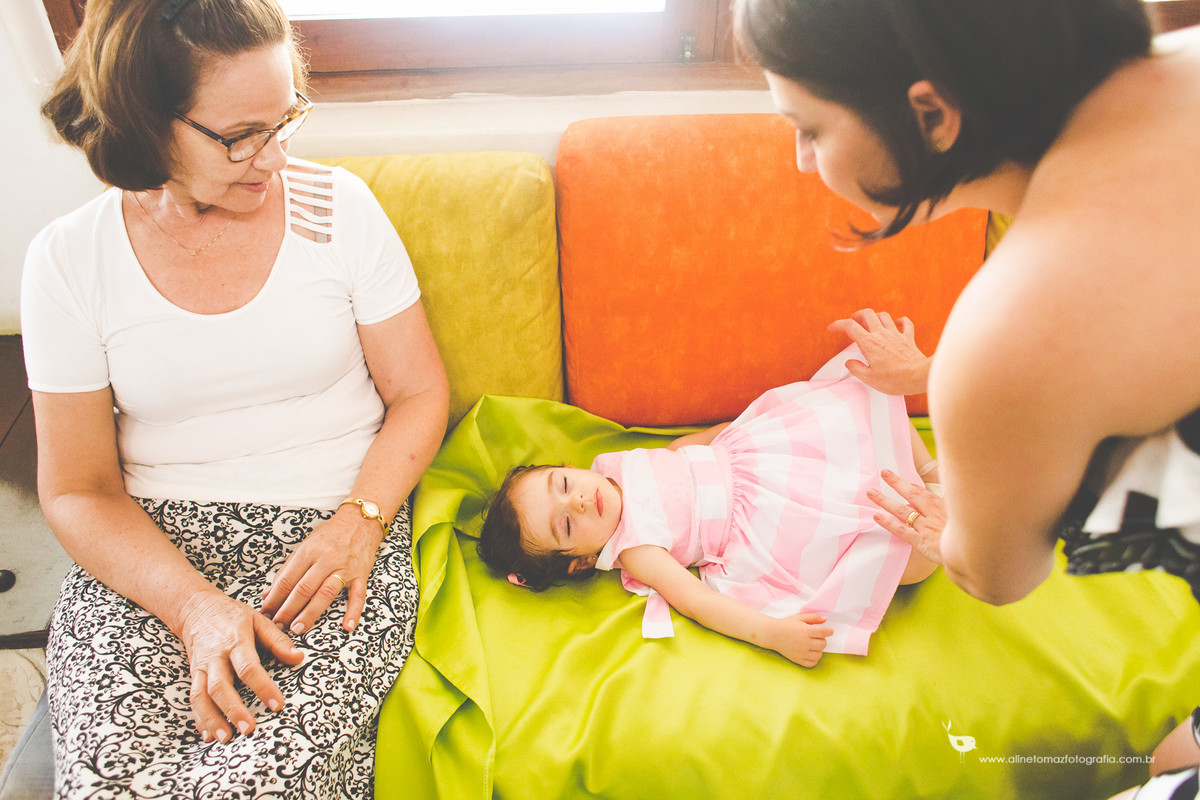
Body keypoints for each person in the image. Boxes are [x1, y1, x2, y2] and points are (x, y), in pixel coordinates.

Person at [734, 0, 1200, 793]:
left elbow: (996, 575)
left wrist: (955, 505)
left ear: (933, 113)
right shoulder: (1182, 58)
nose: (803, 163)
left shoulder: (1012, 335)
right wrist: (930, 379)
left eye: (809, 129)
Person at [23, 0, 449, 796]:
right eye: (240, 135)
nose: (275, 159)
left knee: (258, 779)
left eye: (286, 119)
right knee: (108, 777)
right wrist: (193, 609)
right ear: (148, 121)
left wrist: (360, 524)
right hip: (152, 553)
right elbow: (77, 490)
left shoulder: (340, 211)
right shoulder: (70, 261)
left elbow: (421, 393)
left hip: (325, 540)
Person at [477, 347, 940, 668]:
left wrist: (744, 429)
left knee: (858, 404)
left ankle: (930, 469)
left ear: (566, 466)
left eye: (563, 484)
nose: (577, 500)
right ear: (579, 563)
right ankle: (932, 517)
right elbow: (697, 601)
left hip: (757, 458)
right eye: (566, 524)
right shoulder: (636, 548)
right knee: (890, 552)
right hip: (761, 526)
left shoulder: (615, 461)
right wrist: (772, 635)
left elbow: (685, 448)